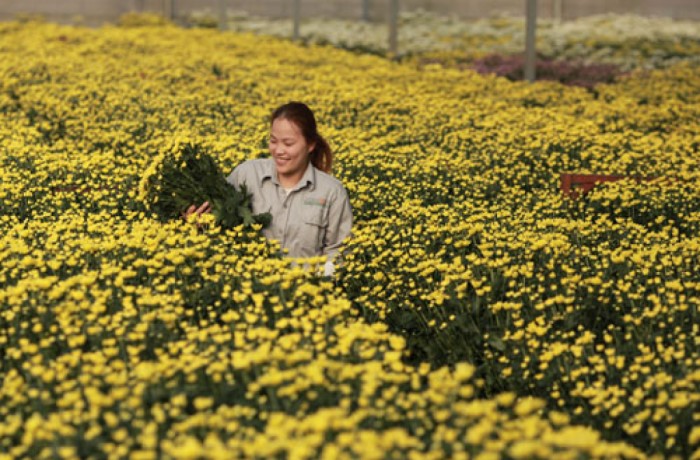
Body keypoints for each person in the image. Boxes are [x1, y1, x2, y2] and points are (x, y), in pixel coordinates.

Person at [184, 101, 353, 276]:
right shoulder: (246, 175)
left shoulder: (331, 191)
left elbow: (338, 251)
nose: (279, 150)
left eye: (288, 144)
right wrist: (198, 224)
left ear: (310, 145)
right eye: (273, 141)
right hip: (246, 289)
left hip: (306, 293)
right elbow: (219, 224)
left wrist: (315, 286)